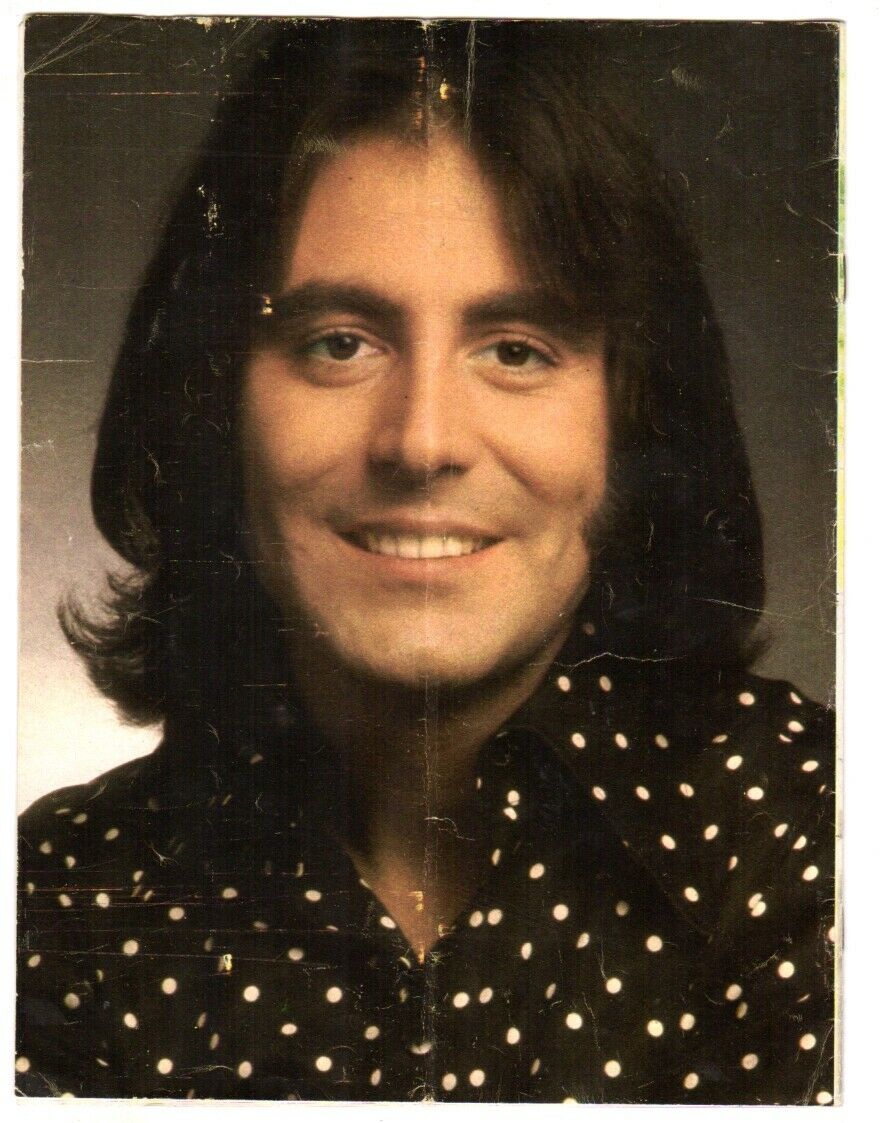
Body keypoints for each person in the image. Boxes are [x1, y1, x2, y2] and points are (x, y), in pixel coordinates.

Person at [16, 20, 836, 1103]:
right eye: (339, 343)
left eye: (516, 350)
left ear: (634, 420)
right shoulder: (56, 906)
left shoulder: (818, 831)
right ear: (213, 402)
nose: (421, 440)